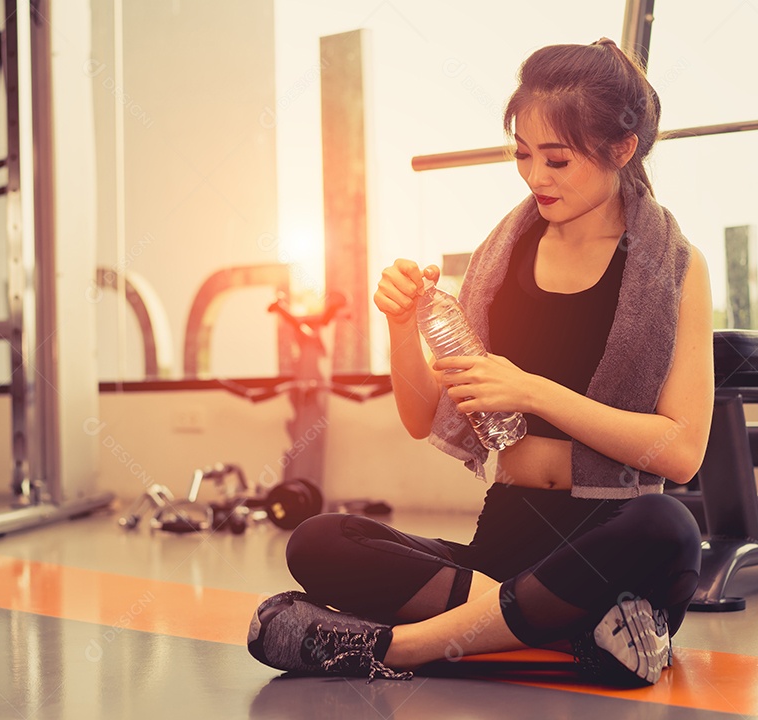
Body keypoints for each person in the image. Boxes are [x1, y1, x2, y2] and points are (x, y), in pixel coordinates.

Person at [247, 38, 714, 687]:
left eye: (557, 159)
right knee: (319, 540)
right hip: (506, 544)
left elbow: (682, 451)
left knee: (669, 527)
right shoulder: (501, 262)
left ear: (621, 149)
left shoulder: (679, 269)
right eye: (523, 155)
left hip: (609, 536)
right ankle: (572, 630)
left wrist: (533, 392)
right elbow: (421, 416)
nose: (534, 177)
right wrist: (402, 326)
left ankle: (398, 648)